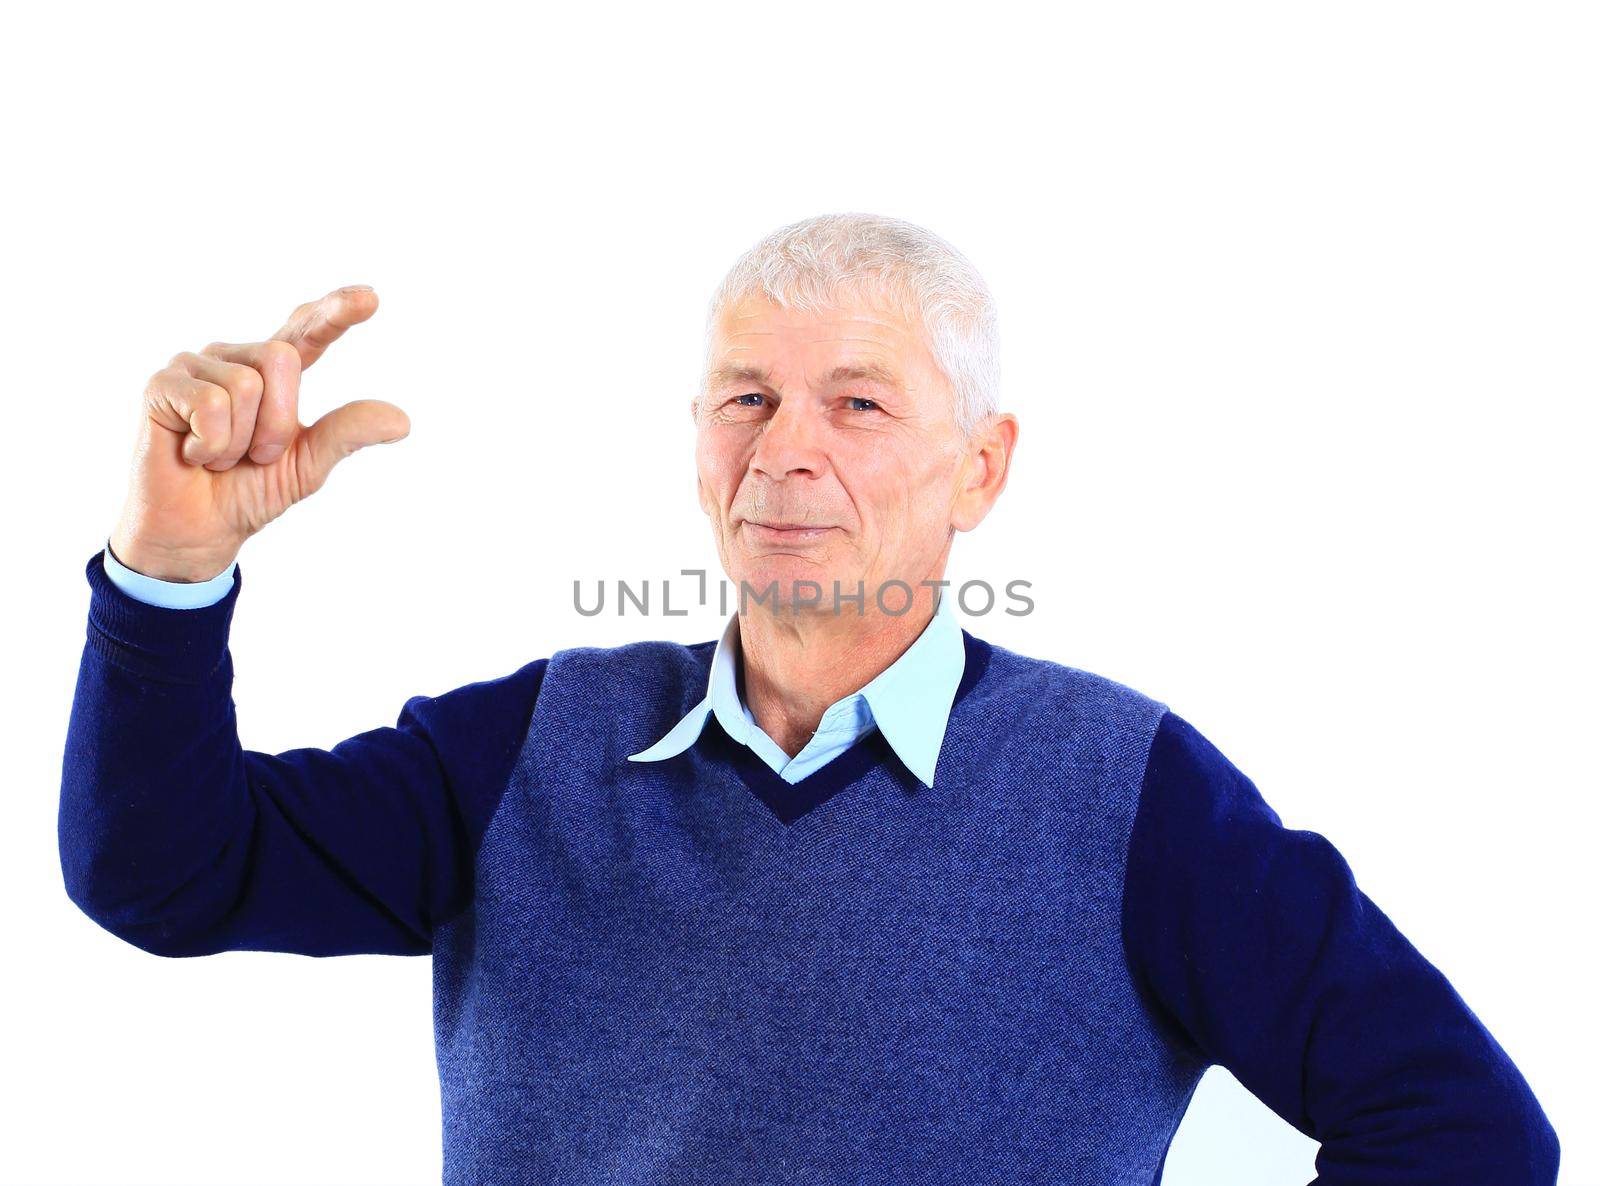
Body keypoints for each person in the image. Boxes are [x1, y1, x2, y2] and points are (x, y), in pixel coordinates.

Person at [60, 213, 1559, 1184]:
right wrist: (167, 571)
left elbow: (1468, 1133)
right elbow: (164, 870)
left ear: (982, 467)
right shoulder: (526, 750)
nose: (786, 449)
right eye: (746, 397)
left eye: (859, 401)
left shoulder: (1123, 791)